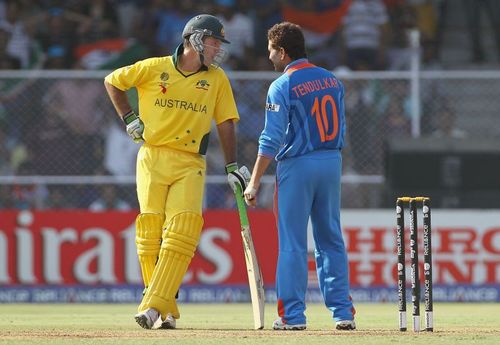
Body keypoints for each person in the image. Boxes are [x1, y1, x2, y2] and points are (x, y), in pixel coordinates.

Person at [103, 14, 250, 330]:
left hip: (191, 162)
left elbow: (225, 122)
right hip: (152, 157)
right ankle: (166, 309)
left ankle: (153, 307)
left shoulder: (217, 78)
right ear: (194, 39)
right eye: (213, 42)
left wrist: (232, 166)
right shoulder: (154, 67)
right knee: (150, 232)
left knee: (182, 231)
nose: (217, 49)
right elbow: (112, 81)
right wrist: (128, 117)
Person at [243, 22, 355, 331]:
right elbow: (341, 126)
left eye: (270, 52)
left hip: (298, 165)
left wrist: (254, 182)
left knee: (292, 242)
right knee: (331, 238)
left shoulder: (283, 84)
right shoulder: (332, 80)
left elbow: (270, 139)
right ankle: (343, 313)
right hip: (332, 162)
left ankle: (292, 316)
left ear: (282, 51)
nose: (269, 58)